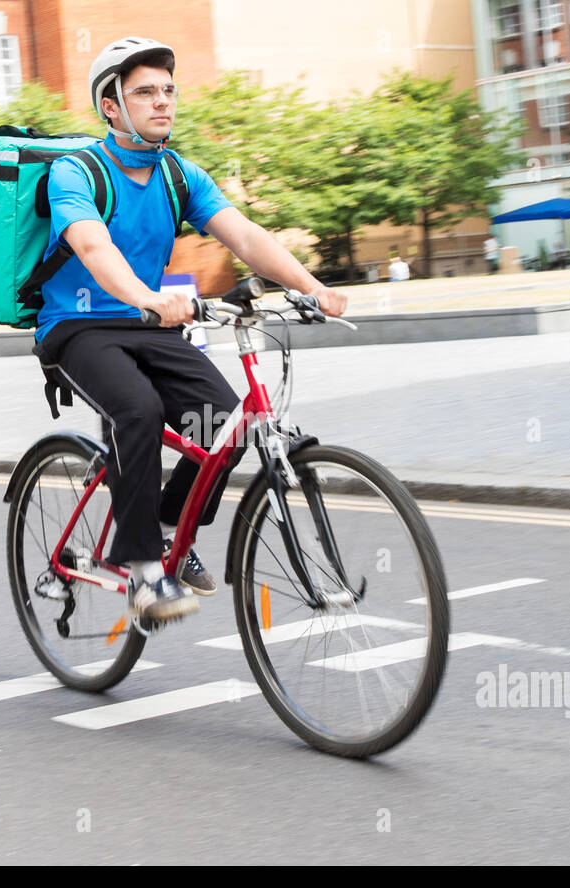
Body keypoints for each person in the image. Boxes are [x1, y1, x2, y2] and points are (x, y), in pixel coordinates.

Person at [32, 36, 347, 625]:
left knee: (230, 421)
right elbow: (92, 245)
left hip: (149, 324)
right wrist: (149, 297)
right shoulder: (75, 173)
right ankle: (142, 569)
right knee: (139, 410)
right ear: (110, 105)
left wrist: (312, 287)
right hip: (78, 327)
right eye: (145, 92)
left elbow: (246, 236)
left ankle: (164, 531)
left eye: (169, 91)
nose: (163, 102)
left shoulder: (180, 174)